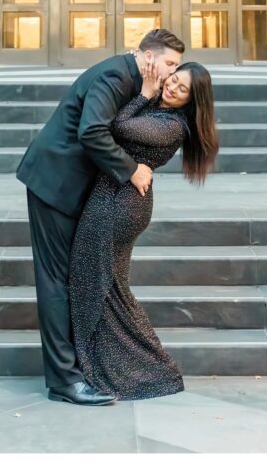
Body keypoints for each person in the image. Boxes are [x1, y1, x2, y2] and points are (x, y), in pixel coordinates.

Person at [10, 28, 186, 405]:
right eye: (170, 63)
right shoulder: (116, 74)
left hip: (72, 188)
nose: (172, 73)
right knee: (56, 281)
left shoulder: (135, 81)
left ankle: (80, 370)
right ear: (149, 56)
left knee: (69, 278)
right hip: (53, 182)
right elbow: (92, 131)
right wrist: (131, 169)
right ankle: (64, 382)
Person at [71, 55, 218, 401]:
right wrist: (148, 91)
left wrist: (145, 91)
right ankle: (113, 366)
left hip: (120, 204)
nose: (172, 87)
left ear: (191, 101)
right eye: (174, 79)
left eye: (182, 89)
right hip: (114, 197)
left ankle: (150, 372)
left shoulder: (173, 126)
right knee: (103, 284)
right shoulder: (157, 107)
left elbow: (119, 127)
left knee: (104, 285)